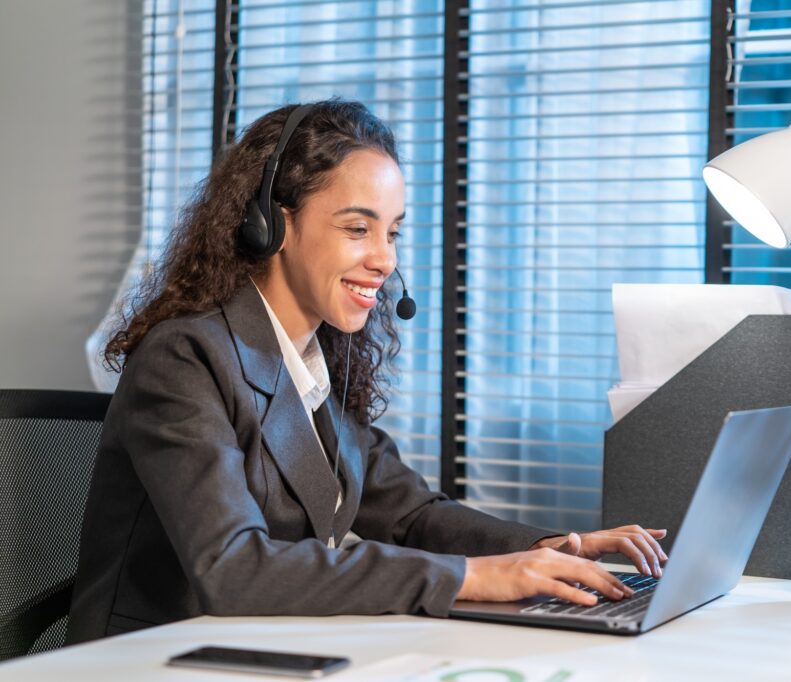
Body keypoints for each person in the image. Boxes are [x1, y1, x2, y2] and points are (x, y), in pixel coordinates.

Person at [66, 100, 667, 644]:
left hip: (262, 647)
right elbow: (233, 567)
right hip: (152, 660)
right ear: (271, 225)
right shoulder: (184, 358)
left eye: (392, 231)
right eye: (358, 229)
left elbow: (409, 514)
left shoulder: (315, 361)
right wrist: (470, 577)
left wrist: (548, 549)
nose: (384, 259)